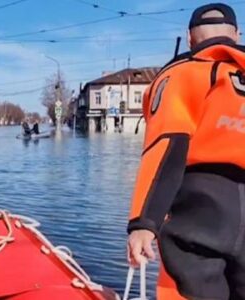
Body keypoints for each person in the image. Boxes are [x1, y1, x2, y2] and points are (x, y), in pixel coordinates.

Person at [126, 3, 245, 299]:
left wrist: (144, 222)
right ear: (237, 34)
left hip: (202, 210)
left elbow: (167, 147)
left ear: (189, 38)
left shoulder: (183, 75)